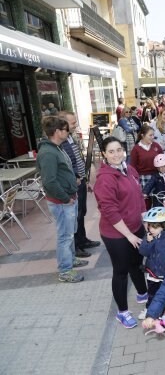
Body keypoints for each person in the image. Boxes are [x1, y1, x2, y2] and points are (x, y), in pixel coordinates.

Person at [94, 136, 148, 328]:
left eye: (119, 150)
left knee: (137, 263)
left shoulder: (129, 169)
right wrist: (129, 235)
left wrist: (146, 222)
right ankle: (122, 312)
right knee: (121, 271)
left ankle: (143, 294)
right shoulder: (105, 179)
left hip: (135, 227)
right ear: (104, 155)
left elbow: (140, 197)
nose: (116, 154)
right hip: (116, 234)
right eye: (111, 151)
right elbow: (110, 211)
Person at [36, 116, 87, 283]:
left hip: (68, 199)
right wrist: (65, 198)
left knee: (69, 234)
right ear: (57, 132)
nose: (68, 131)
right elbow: (49, 181)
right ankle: (65, 270)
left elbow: (62, 171)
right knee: (65, 236)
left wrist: (74, 179)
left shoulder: (56, 148)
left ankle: (71, 260)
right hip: (62, 202)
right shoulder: (48, 152)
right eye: (65, 129)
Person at [59, 111, 100, 259]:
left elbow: (79, 159)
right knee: (74, 216)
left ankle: (82, 240)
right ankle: (75, 246)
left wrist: (85, 179)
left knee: (81, 212)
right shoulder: (61, 143)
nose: (75, 125)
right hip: (73, 183)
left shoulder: (71, 138)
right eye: (72, 123)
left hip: (81, 180)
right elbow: (68, 165)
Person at [138, 207, 165, 319]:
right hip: (152, 273)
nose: (152, 229)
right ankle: (149, 309)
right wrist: (148, 242)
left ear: (163, 226)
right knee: (152, 293)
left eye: (155, 227)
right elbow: (143, 251)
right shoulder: (149, 237)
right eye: (150, 226)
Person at [130, 124, 163, 194]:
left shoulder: (156, 145)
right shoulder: (136, 149)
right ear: (143, 135)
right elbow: (132, 167)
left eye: (153, 135)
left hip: (157, 176)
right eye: (150, 135)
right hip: (143, 178)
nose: (153, 137)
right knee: (146, 201)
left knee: (158, 198)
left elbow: (163, 159)